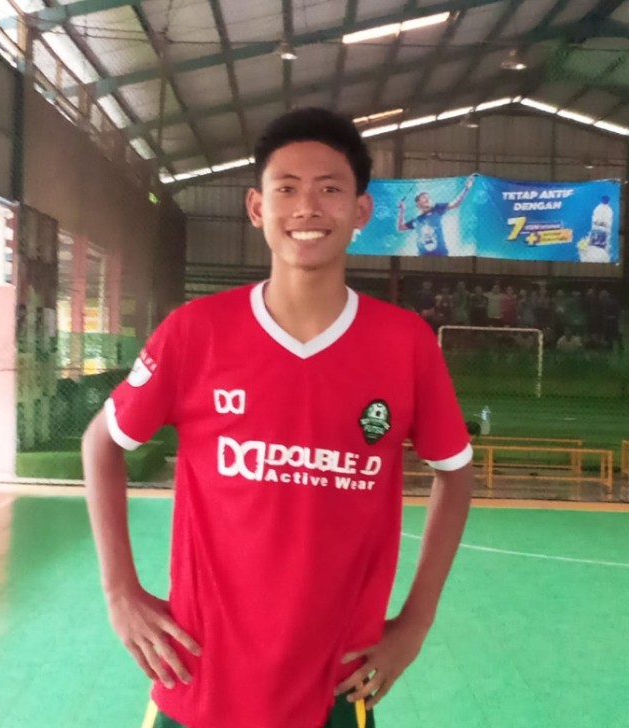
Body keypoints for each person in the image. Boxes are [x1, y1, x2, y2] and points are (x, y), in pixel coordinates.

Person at [82, 107, 474, 728]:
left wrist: (416, 621)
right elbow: (101, 443)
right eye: (286, 188)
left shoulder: (405, 344)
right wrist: (120, 593)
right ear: (257, 207)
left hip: (335, 690)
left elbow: (455, 471)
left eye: (329, 189)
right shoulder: (195, 333)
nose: (307, 207)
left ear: (361, 211)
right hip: (197, 682)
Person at [396, 175, 475, 256]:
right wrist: (402, 210)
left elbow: (456, 204)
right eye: (423, 197)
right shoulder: (416, 221)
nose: (427, 199)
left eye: (428, 197)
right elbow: (400, 228)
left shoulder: (437, 209)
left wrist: (466, 188)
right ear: (417, 204)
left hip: (442, 255)